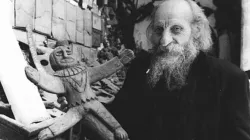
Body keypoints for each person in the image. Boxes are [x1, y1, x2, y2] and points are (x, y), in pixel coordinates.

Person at [109, 0, 250, 140]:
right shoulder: (139, 69)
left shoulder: (229, 78)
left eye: (176, 29)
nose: (164, 41)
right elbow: (117, 121)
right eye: (159, 29)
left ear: (196, 30)